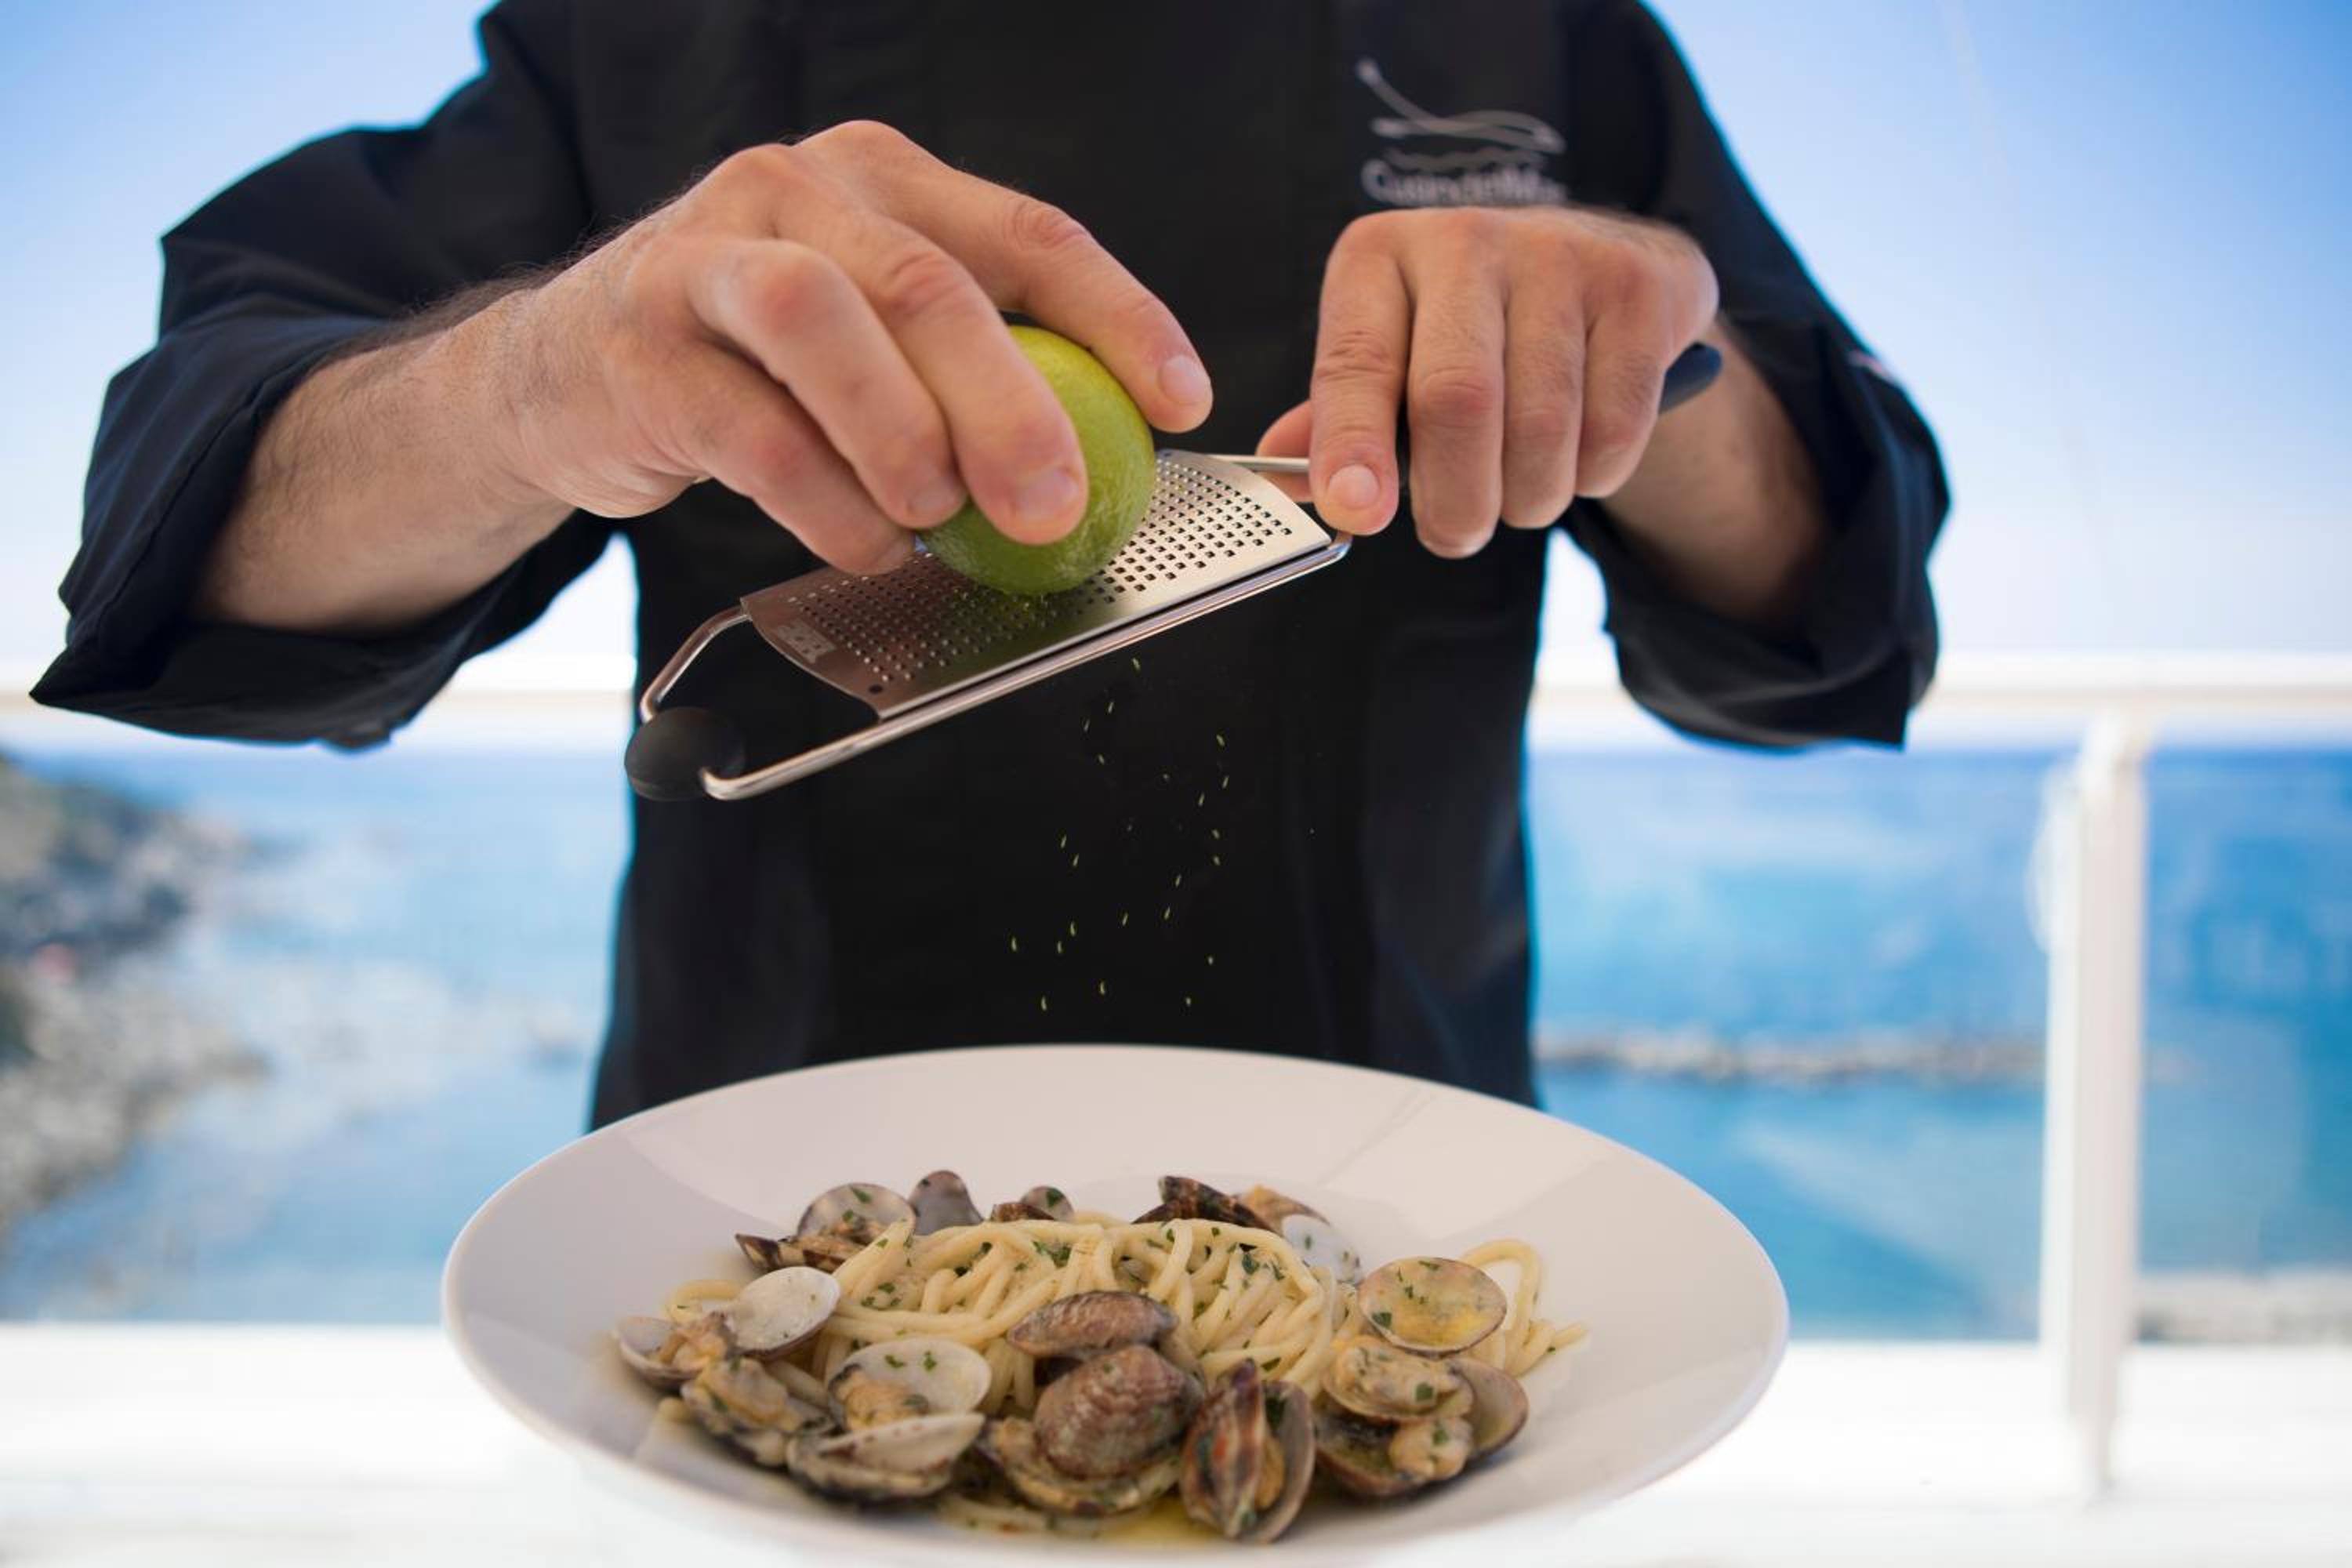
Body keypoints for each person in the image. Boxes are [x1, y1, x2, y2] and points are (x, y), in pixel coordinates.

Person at [35, 1, 1945, 1125]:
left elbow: (1835, 615)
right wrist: (527, 380)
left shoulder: (1538, 32)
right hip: (762, 1221)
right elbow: (192, 542)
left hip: (1384, 1197)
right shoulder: (639, 36)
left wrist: (1660, 373)